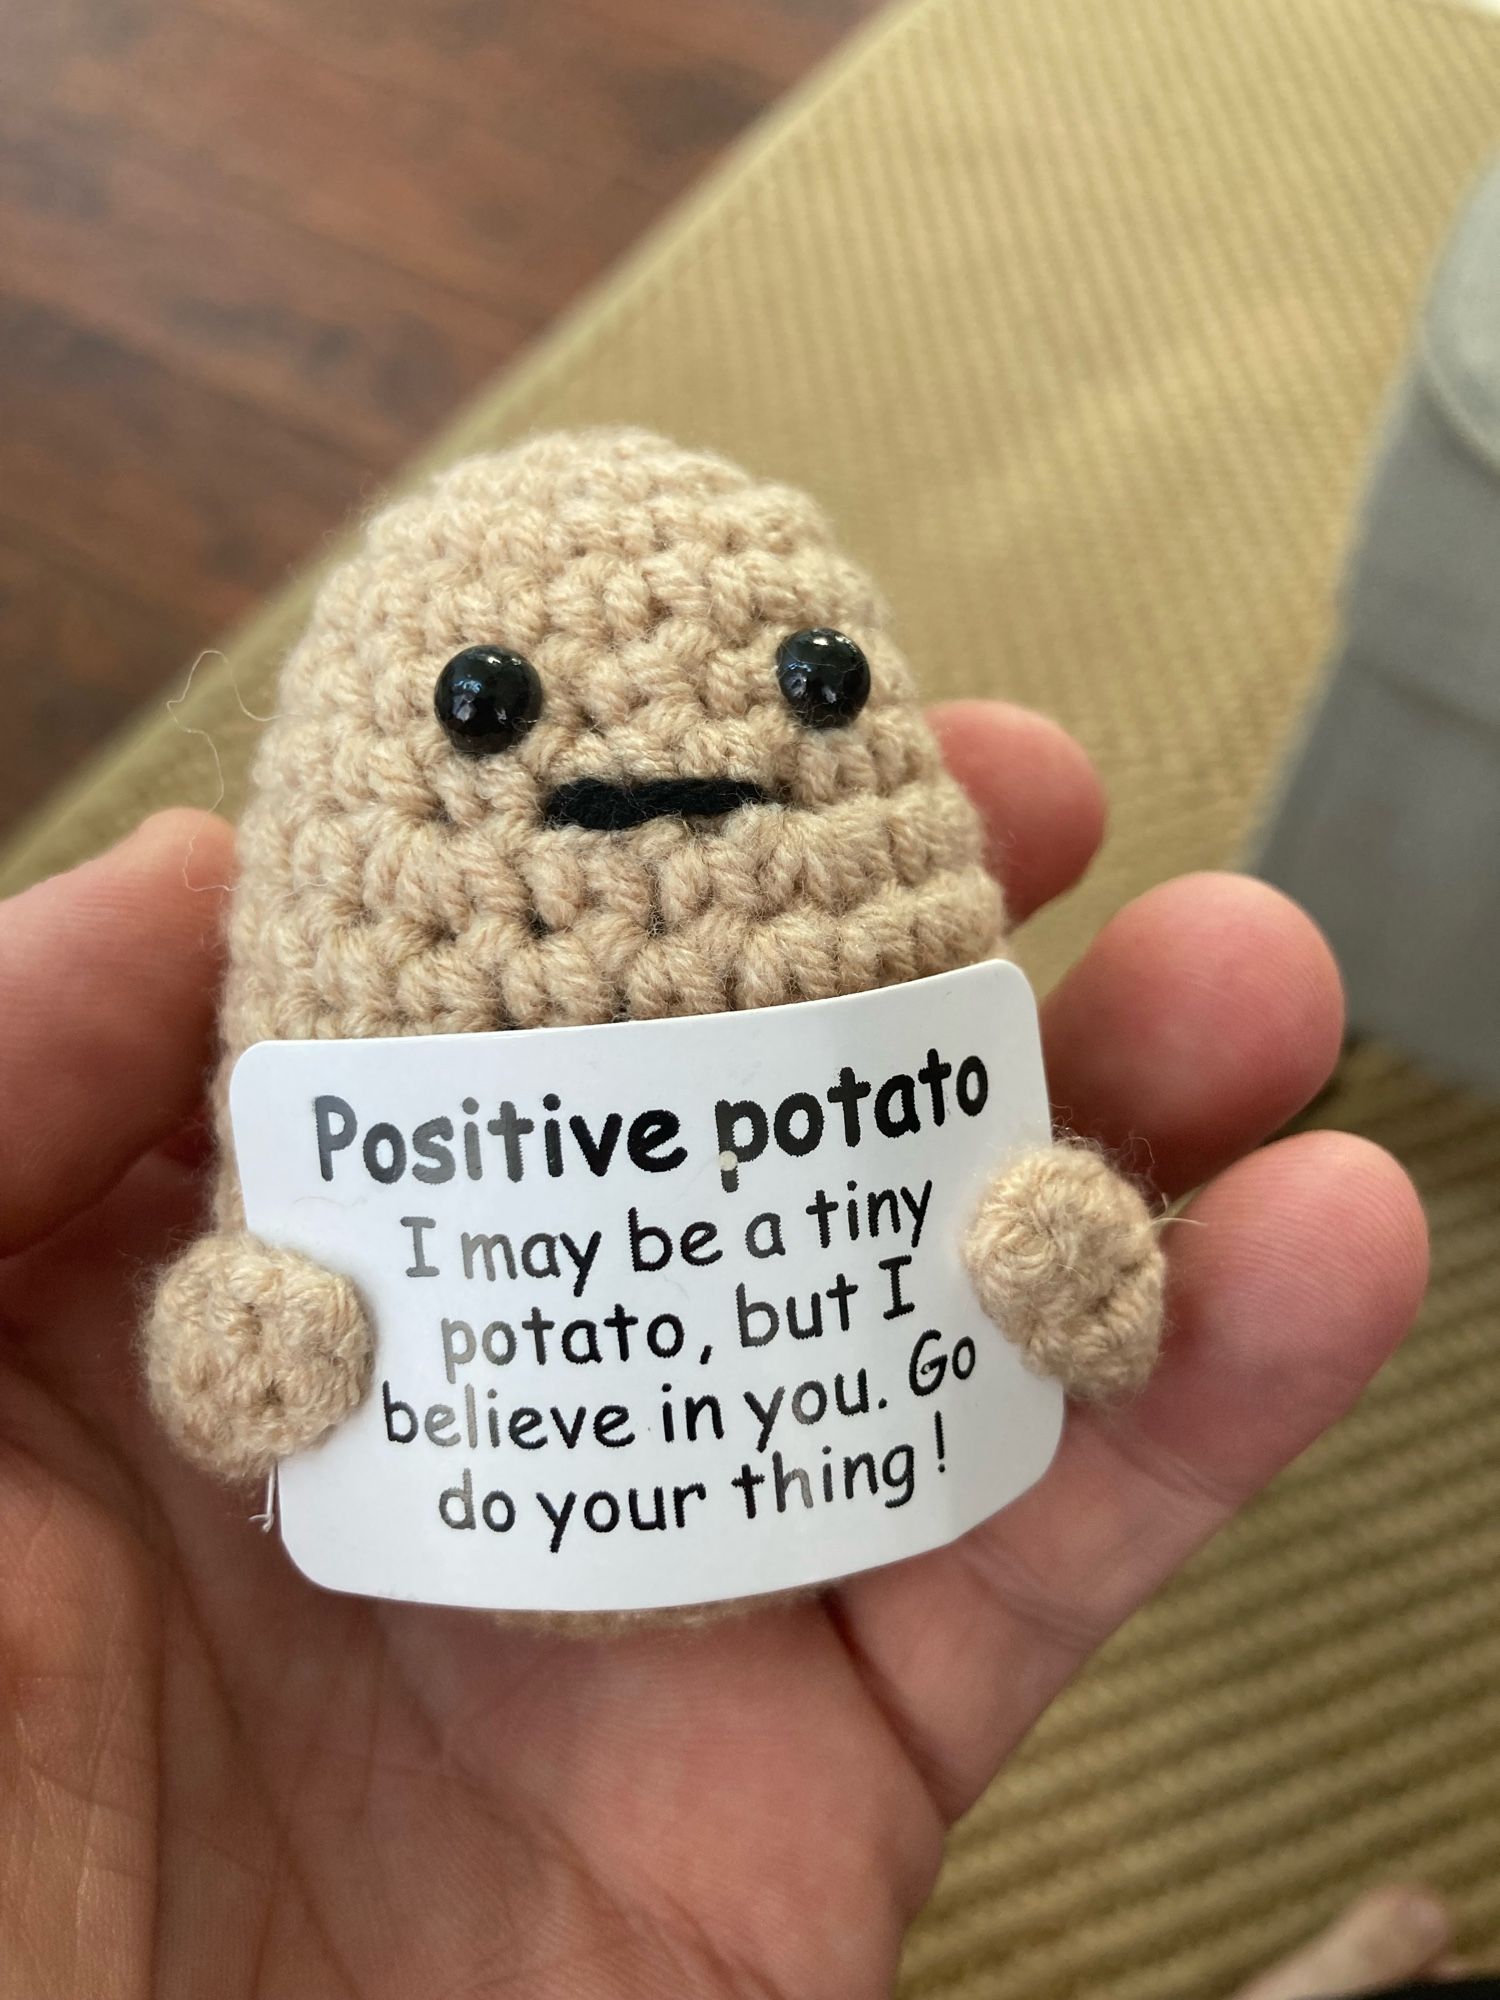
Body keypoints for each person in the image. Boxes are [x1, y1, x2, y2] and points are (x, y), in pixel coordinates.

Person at [0, 699, 1427, 1996]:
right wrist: (258, 1342)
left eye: (817, 679)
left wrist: (1054, 1261)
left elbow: (1033, 1243)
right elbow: (253, 1345)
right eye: (481, 709)